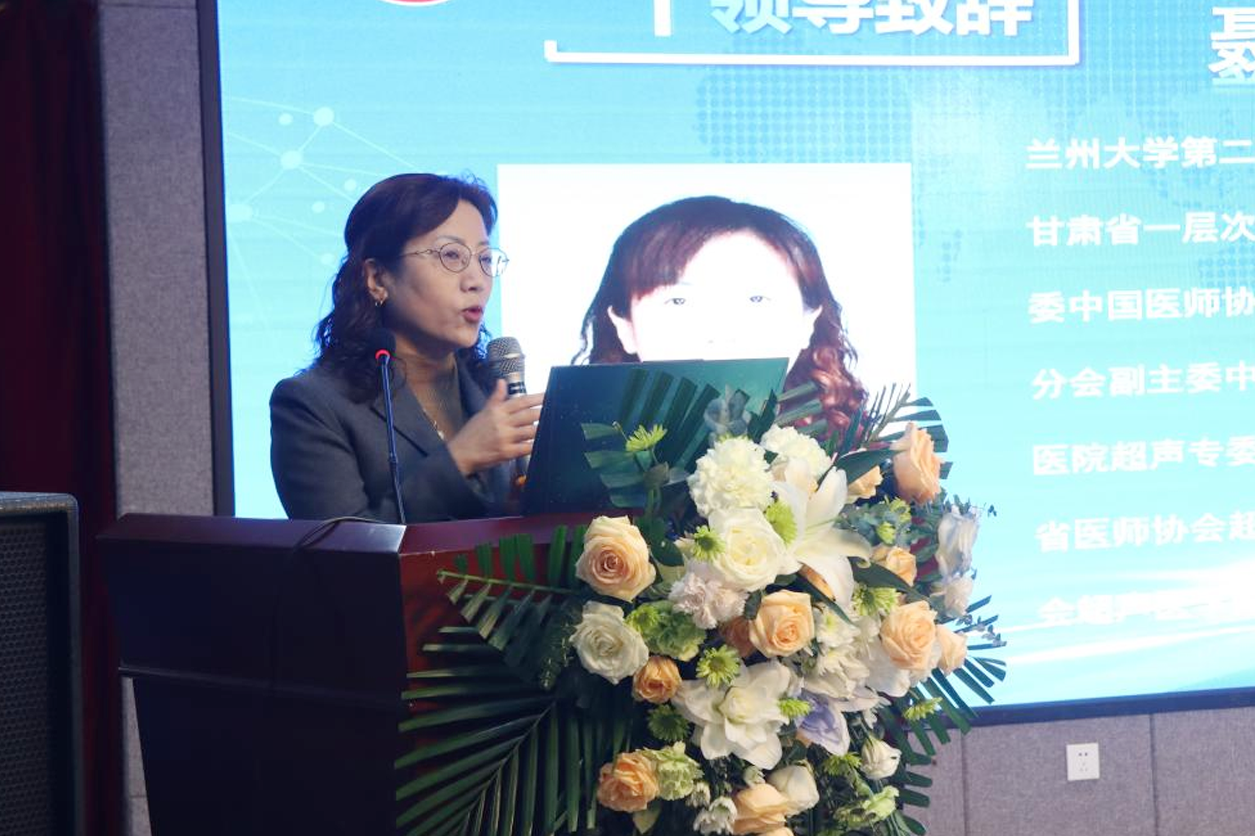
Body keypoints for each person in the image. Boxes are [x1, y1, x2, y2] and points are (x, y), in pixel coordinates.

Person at [270, 173, 542, 522]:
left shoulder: (491, 387)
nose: (477, 281)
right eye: (451, 255)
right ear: (377, 278)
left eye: (485, 259)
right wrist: (460, 460)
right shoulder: (312, 404)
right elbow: (340, 547)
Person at [573, 195, 865, 436]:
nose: (721, 331)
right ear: (625, 328)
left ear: (807, 323)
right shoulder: (566, 455)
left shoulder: (859, 463)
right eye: (679, 301)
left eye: (756, 299)